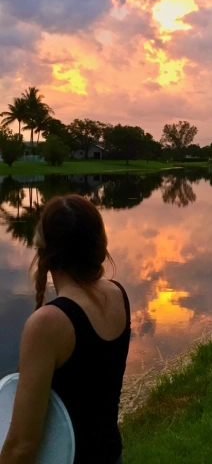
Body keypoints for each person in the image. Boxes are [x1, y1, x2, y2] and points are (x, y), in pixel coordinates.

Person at [0, 195, 130, 464]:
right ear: (99, 244)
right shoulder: (118, 294)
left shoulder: (48, 324)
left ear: (44, 249)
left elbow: (21, 446)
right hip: (111, 456)